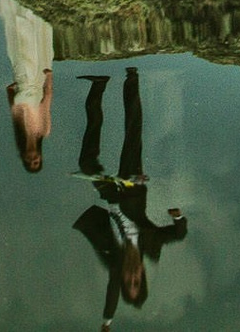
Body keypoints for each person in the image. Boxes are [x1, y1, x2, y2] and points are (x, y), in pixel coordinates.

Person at [70, 68, 188, 328]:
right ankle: (132, 80)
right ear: (142, 275)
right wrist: (178, 216)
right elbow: (179, 234)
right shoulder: (151, 243)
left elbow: (112, 293)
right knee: (133, 134)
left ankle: (98, 86)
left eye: (128, 282)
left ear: (123, 279)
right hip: (133, 188)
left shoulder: (115, 263)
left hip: (111, 195)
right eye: (137, 281)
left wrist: (107, 322)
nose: (132, 276)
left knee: (86, 164)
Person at [0, 0, 55, 170]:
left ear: (23, 158)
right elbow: (47, 100)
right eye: (36, 161)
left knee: (17, 40)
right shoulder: (43, 131)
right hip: (36, 79)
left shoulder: (19, 133)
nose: (33, 159)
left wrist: (10, 91)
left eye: (29, 162)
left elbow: (13, 107)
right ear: (40, 156)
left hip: (21, 78)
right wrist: (49, 76)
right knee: (30, 39)